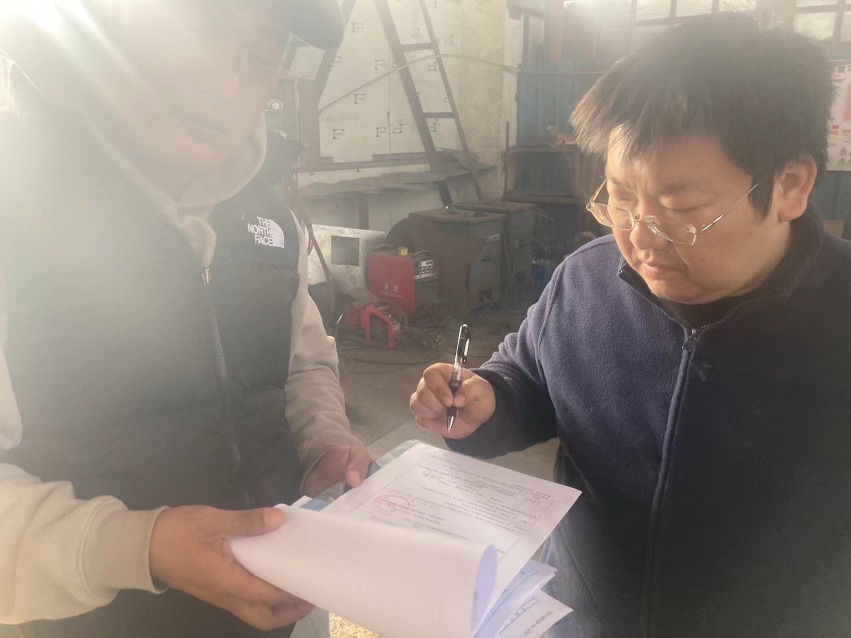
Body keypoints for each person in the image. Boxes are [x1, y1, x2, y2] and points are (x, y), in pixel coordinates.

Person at [412, 15, 851, 638]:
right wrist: (487, 401)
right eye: (619, 199)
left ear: (790, 184)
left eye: (679, 209)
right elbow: (528, 380)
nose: (638, 238)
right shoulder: (586, 281)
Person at [0, 1, 370, 637]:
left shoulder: (268, 216)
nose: (224, 80)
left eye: (261, 51)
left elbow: (303, 363)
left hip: (284, 607)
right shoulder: (14, 213)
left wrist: (322, 442)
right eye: (198, 25)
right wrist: (137, 546)